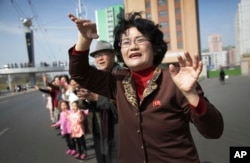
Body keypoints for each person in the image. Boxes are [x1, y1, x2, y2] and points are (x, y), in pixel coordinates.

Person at [68, 12, 224, 163]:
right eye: (126, 42)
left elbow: (213, 130)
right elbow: (79, 73)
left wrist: (191, 94)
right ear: (121, 51)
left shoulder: (175, 80)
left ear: (155, 47)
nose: (133, 47)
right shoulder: (117, 81)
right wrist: (84, 38)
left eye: (140, 40)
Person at [85, 40, 119, 163]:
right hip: (100, 128)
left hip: (117, 128)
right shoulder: (97, 78)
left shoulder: (121, 75)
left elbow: (125, 104)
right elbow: (84, 105)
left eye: (102, 54)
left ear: (113, 54)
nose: (99, 59)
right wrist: (86, 97)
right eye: (96, 56)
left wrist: (97, 98)